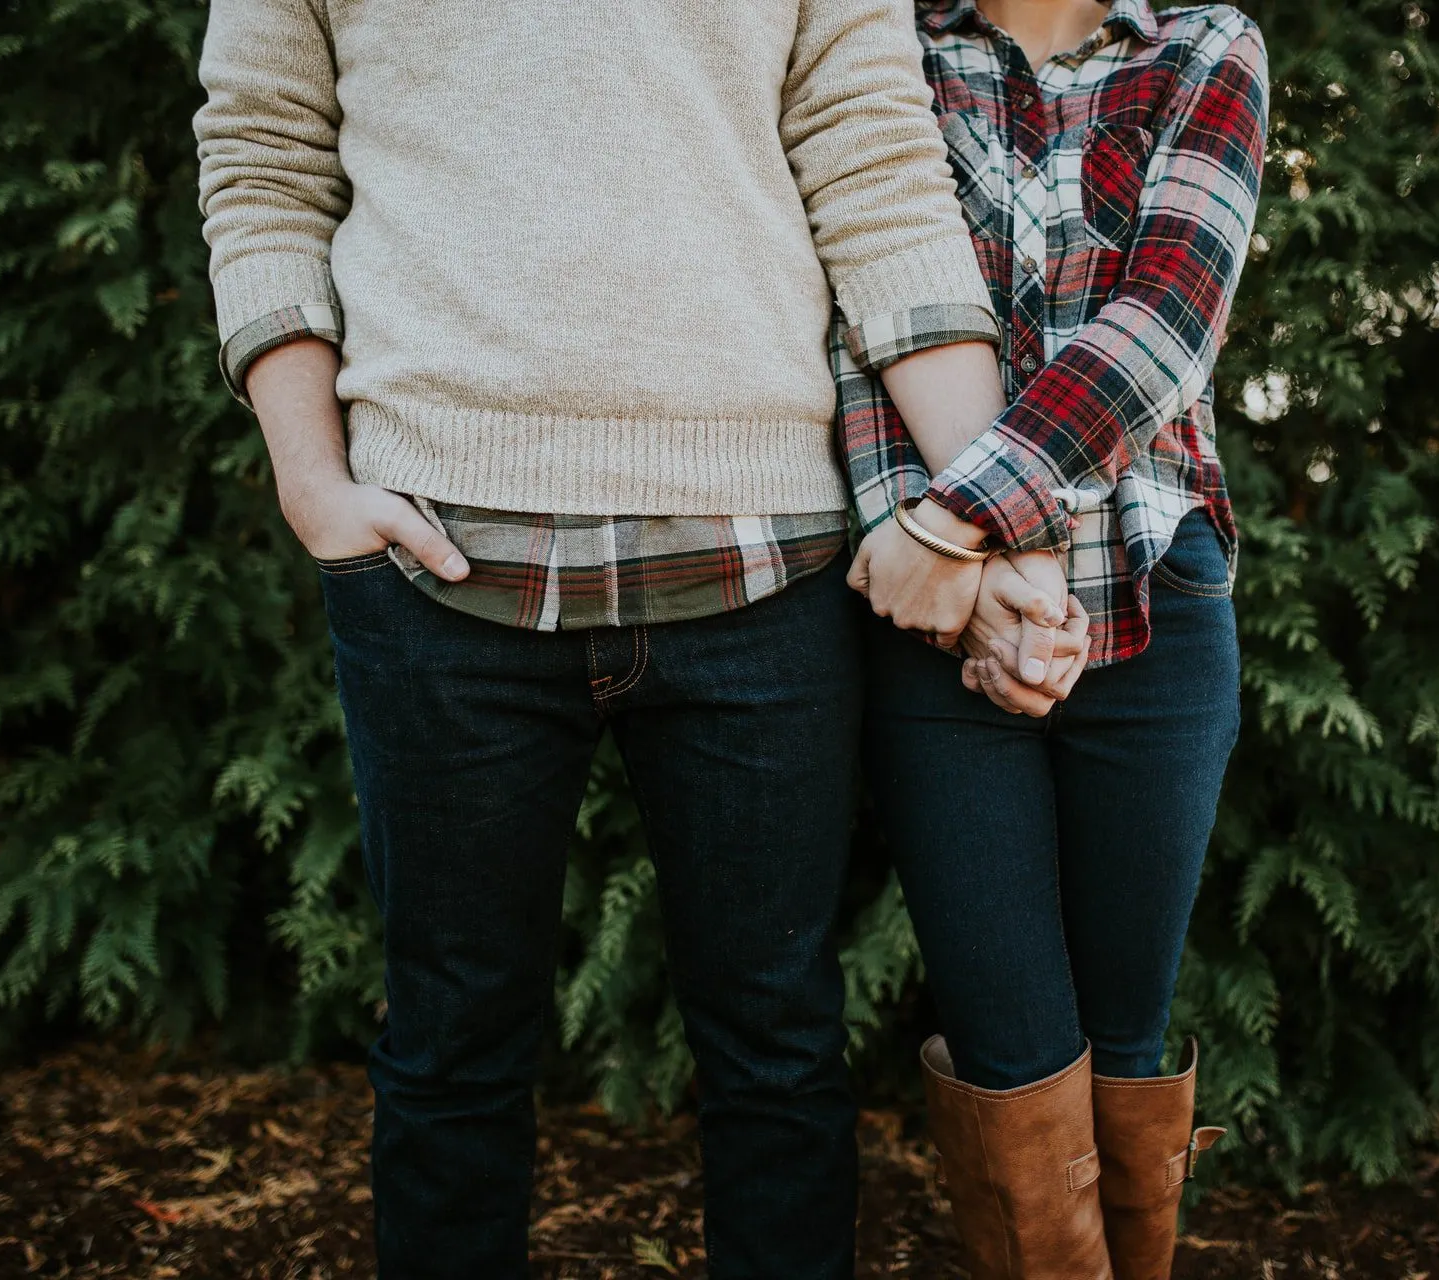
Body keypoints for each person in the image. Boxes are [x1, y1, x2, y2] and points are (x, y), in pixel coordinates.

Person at [191, 1, 1031, 1275]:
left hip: (763, 567)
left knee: (779, 1053)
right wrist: (312, 481)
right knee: (450, 1048)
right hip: (437, 566)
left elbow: (878, 174)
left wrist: (992, 511)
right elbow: (262, 159)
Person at [838, 1, 1269, 1276]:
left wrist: (963, 524)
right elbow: (858, 317)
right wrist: (958, 575)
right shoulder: (883, 48)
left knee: (1127, 1042)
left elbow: (1167, 323)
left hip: (1152, 592)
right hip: (935, 622)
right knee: (1011, 1055)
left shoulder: (1202, 47)